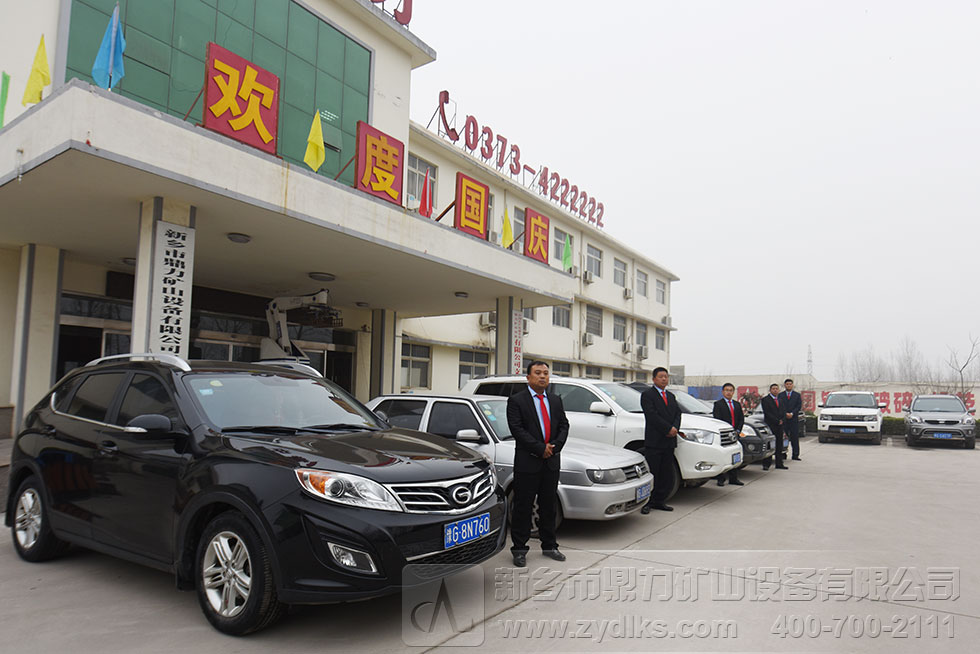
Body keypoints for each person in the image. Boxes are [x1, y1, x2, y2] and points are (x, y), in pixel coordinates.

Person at [506, 360, 569, 567]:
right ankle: (519, 549)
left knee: (548, 506)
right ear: (528, 377)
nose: (543, 376)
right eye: (538, 373)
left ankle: (550, 546)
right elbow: (517, 429)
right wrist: (540, 448)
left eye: (545, 373)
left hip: (551, 462)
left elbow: (564, 425)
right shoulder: (517, 400)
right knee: (523, 506)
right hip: (528, 463)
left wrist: (554, 447)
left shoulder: (555, 400)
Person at [640, 367, 682, 513]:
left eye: (666, 376)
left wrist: (675, 428)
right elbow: (651, 415)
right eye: (661, 376)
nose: (664, 379)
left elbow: (678, 413)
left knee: (666, 473)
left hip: (669, 441)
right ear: (654, 379)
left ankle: (660, 500)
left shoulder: (671, 396)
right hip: (655, 440)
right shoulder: (647, 395)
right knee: (653, 472)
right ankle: (648, 502)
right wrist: (667, 429)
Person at [713, 383, 745, 486]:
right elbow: (717, 419)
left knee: (735, 455)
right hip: (724, 435)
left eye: (731, 390)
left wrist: (738, 430)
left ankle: (733, 478)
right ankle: (721, 478)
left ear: (733, 392)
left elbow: (741, 419)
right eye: (726, 390)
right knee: (723, 455)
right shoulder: (718, 404)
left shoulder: (737, 404)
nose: (728, 392)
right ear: (723, 392)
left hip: (735, 434)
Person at [760, 383, 787, 469]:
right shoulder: (765, 400)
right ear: (770, 390)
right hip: (770, 425)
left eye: (776, 389)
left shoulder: (781, 399)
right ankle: (766, 464)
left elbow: (784, 411)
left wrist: (782, 420)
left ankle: (779, 463)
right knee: (769, 445)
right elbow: (767, 413)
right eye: (773, 389)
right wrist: (776, 420)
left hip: (780, 425)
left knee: (779, 444)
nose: (775, 390)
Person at [782, 378, 803, 461]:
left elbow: (798, 406)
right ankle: (783, 454)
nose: (788, 385)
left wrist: (792, 413)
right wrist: (785, 414)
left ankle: (795, 455)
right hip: (784, 419)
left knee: (795, 437)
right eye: (787, 384)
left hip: (793, 419)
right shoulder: (781, 395)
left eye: (790, 384)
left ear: (792, 385)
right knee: (783, 437)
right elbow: (780, 406)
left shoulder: (797, 395)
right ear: (785, 385)